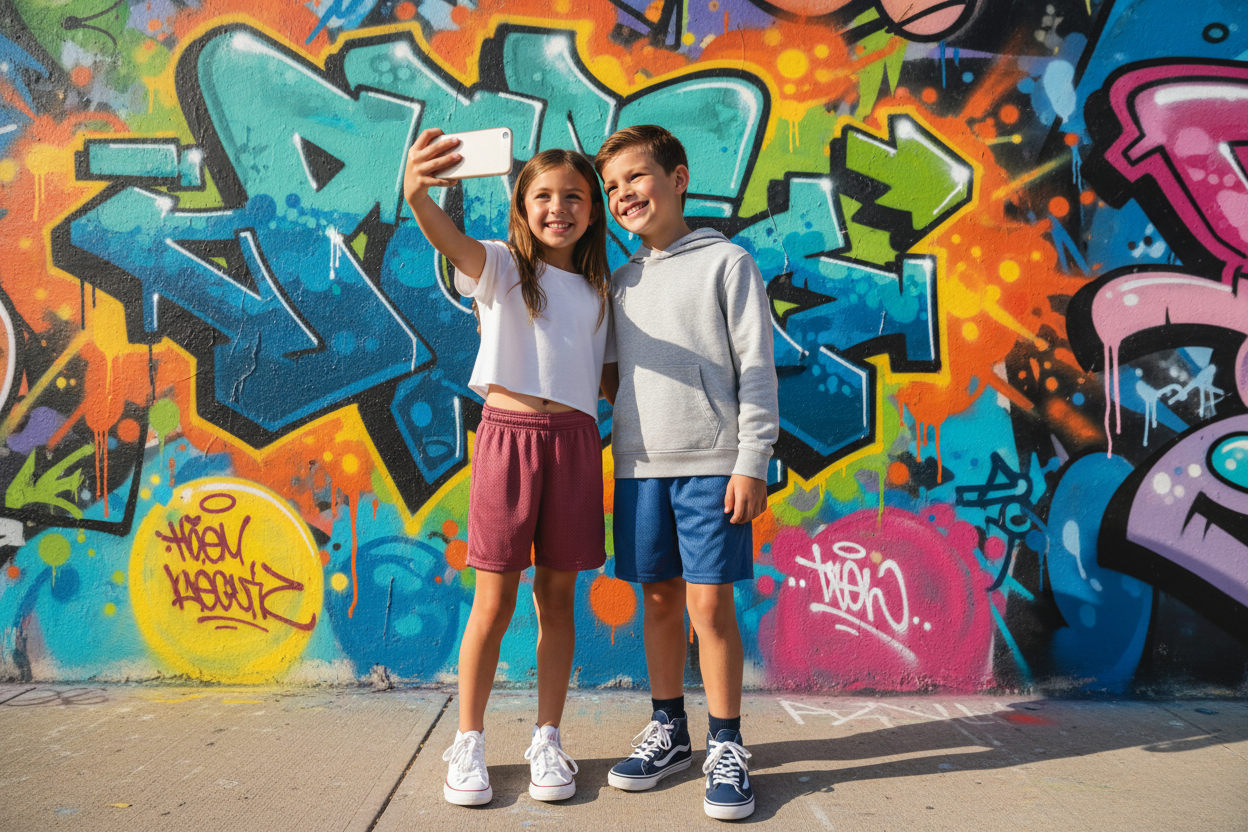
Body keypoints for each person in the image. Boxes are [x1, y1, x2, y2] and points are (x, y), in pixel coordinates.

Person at [403, 130, 618, 807]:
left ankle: (547, 739)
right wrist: (417, 193)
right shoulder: (499, 266)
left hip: (576, 444)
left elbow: (612, 379)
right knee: (493, 602)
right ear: (522, 206)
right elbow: (446, 237)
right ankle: (468, 740)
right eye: (543, 195)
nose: (559, 207)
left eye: (574, 196)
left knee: (557, 600)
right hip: (508, 441)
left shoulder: (602, 290)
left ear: (593, 209)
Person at [594, 125, 779, 821]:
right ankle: (669, 729)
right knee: (660, 601)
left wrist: (751, 462)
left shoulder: (728, 263)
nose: (623, 195)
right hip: (639, 470)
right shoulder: (620, 283)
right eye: (611, 187)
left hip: (712, 468)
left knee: (710, 608)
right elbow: (611, 377)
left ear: (677, 178)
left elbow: (756, 370)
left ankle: (726, 744)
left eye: (635, 177)